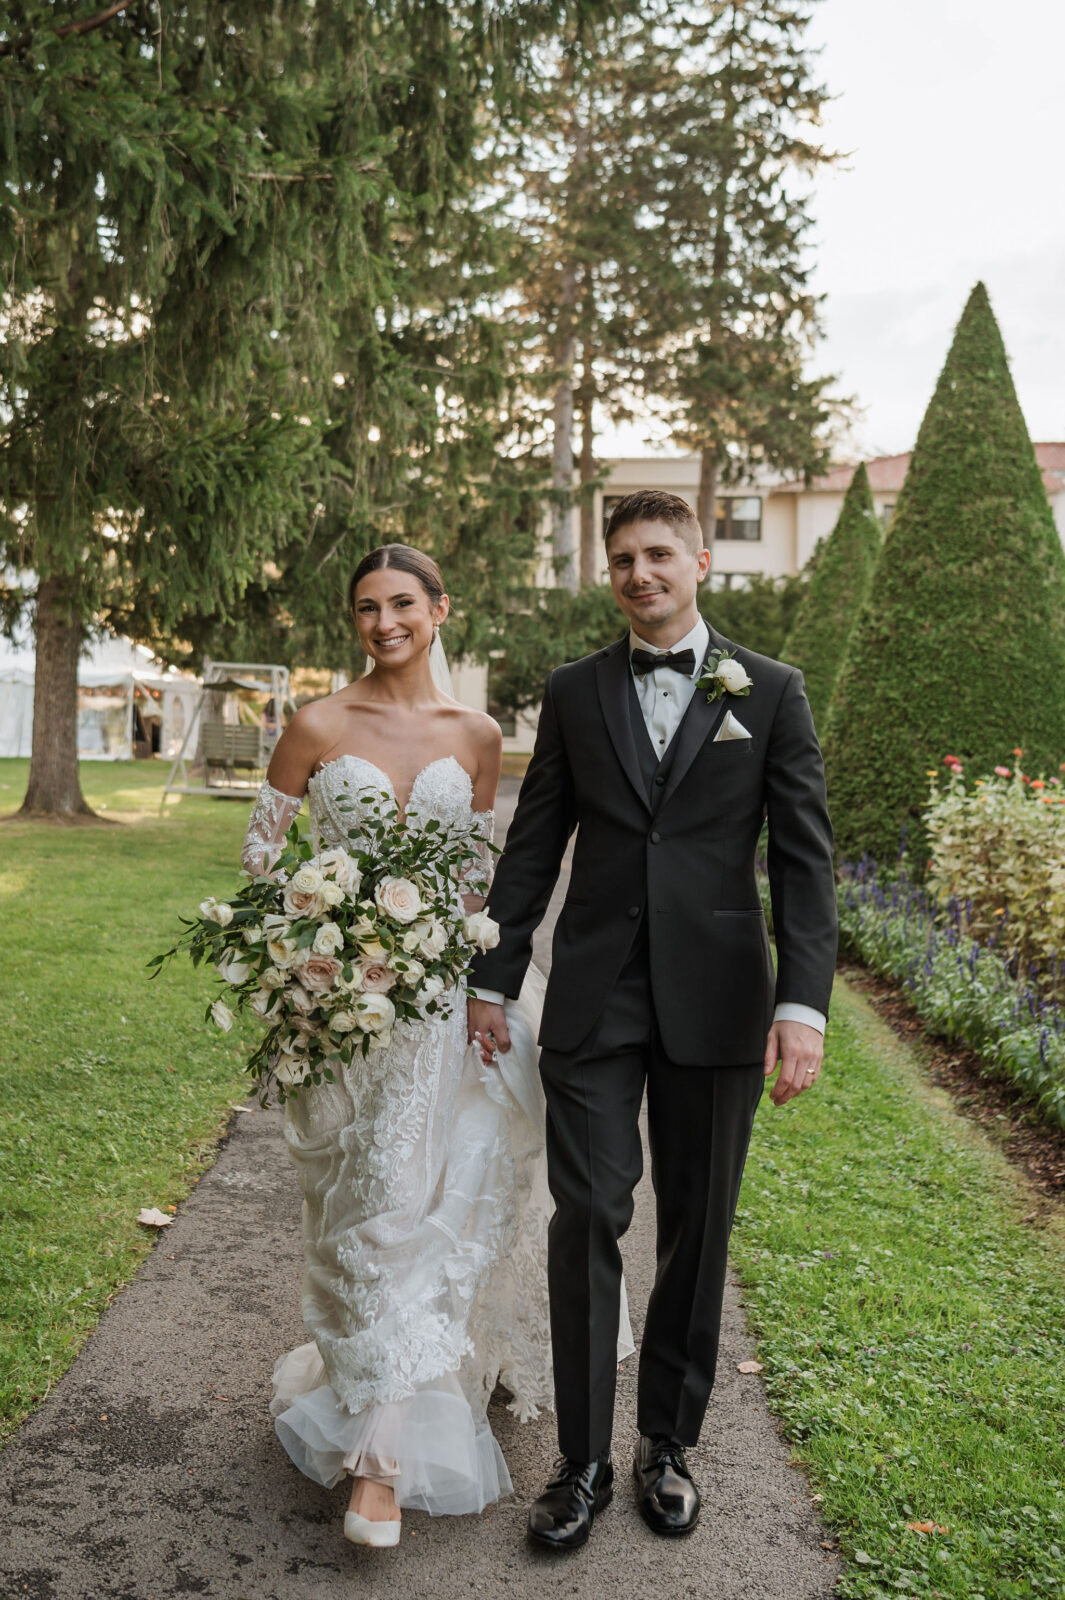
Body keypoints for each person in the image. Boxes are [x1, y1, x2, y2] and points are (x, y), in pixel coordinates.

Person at [467, 489, 838, 1550]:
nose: (639, 572)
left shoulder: (770, 692)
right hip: (594, 993)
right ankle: (580, 1461)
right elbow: (534, 843)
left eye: (658, 554)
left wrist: (802, 1004)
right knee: (588, 1214)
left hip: (721, 999)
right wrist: (493, 976)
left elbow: (805, 868)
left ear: (703, 562)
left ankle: (664, 1444)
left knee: (698, 1227)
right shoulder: (576, 692)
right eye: (622, 557)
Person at [239, 545, 556, 1549]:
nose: (384, 622)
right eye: (367, 607)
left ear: (438, 610)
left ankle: (377, 1462)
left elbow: (474, 877)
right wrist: (307, 955)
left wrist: (486, 992)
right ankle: (381, 1386)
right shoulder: (318, 723)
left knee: (446, 1199)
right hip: (351, 1020)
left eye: (403, 604)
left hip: (455, 1010)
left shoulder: (480, 732)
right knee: (369, 1212)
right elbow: (259, 866)